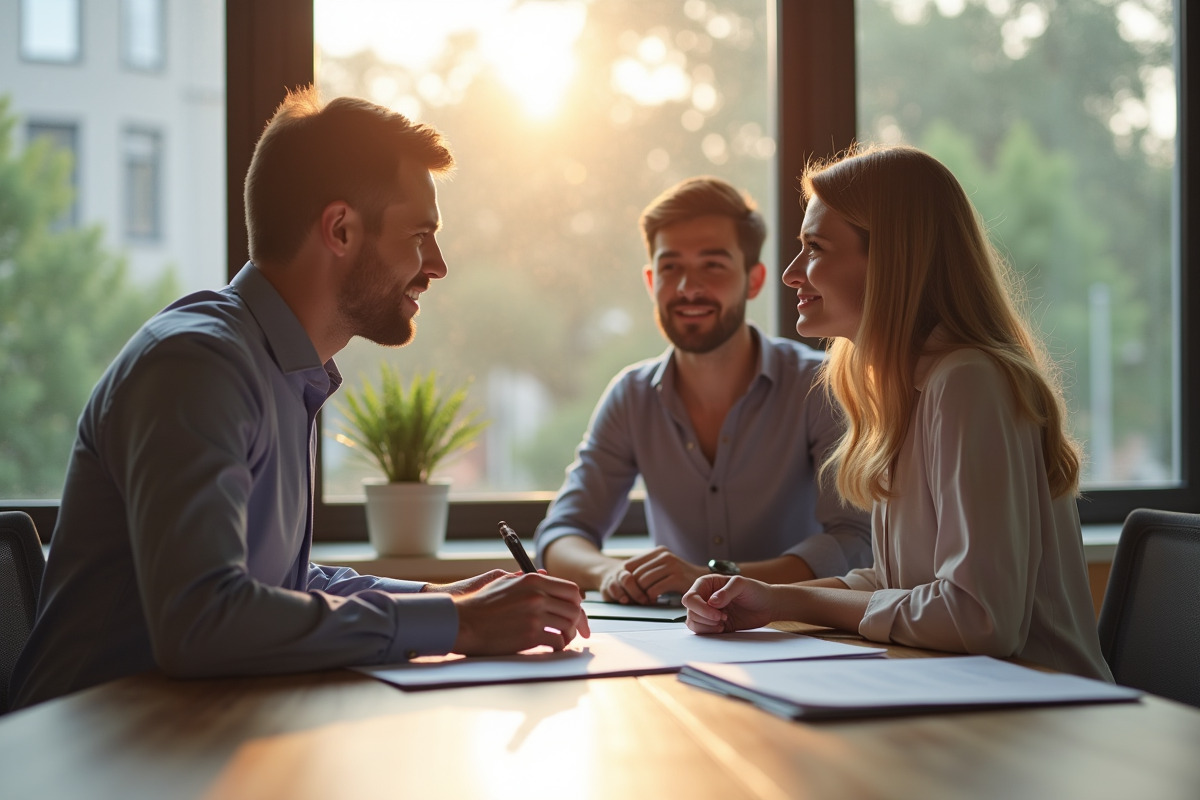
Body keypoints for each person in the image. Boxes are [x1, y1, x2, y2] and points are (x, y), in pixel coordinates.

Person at [9, 86, 588, 710]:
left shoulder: (282, 371)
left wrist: (444, 598)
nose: (438, 265)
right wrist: (460, 624)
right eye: (420, 234)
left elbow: (278, 585)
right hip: (86, 756)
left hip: (182, 734)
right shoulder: (196, 365)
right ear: (340, 229)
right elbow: (203, 619)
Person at [682, 145, 1112, 681]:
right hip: (968, 698)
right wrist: (770, 597)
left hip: (1048, 719)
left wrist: (796, 604)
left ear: (889, 260)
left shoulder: (968, 381)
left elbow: (977, 619)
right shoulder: (909, 388)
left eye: (814, 248)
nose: (792, 273)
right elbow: (899, 586)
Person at [534, 177, 871, 605]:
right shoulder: (631, 396)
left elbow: (854, 542)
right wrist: (611, 572)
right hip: (681, 638)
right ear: (650, 280)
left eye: (712, 266)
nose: (688, 288)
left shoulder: (821, 385)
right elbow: (562, 533)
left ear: (754, 280)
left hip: (797, 630)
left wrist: (712, 577)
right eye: (671, 267)